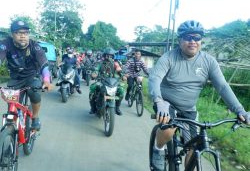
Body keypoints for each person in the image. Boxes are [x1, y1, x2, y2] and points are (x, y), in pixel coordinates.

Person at [148, 20, 250, 171]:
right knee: (169, 129)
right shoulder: (169, 57)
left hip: (189, 108)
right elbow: (155, 78)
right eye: (188, 37)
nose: (192, 41)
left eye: (197, 37)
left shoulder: (208, 61)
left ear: (201, 40)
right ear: (180, 40)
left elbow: (222, 86)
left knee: (194, 147)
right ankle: (158, 148)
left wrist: (240, 110)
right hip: (167, 104)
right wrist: (158, 99)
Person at [0, 20, 53, 131]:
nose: (23, 36)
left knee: (33, 93)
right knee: (12, 105)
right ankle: (11, 129)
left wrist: (46, 80)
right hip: (15, 78)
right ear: (12, 34)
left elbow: (44, 64)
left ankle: (35, 117)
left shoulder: (35, 46)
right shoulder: (5, 44)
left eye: (25, 33)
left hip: (32, 76)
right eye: (19, 33)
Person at [89, 47, 125, 115]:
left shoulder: (115, 63)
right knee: (93, 87)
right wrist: (94, 74)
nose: (109, 57)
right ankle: (93, 107)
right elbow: (96, 69)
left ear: (113, 56)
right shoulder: (100, 63)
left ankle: (117, 107)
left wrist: (123, 75)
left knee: (121, 90)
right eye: (107, 55)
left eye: (110, 55)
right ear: (104, 55)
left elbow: (119, 70)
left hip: (113, 82)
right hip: (102, 81)